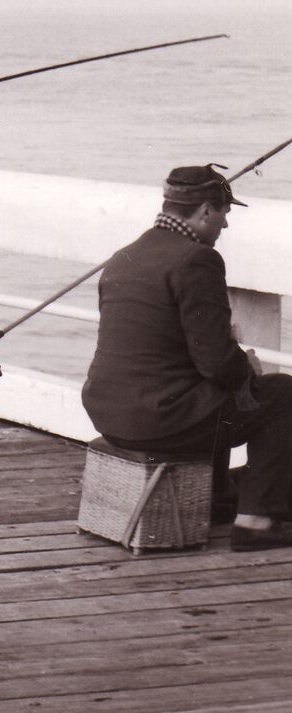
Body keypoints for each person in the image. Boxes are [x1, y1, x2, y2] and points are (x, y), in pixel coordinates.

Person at [83, 165, 292, 549]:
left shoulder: (124, 255)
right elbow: (216, 362)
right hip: (157, 419)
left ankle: (217, 499)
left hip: (107, 412)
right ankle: (258, 521)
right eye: (224, 213)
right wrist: (248, 368)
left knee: (213, 393)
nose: (225, 225)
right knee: (282, 394)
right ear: (205, 210)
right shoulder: (198, 259)